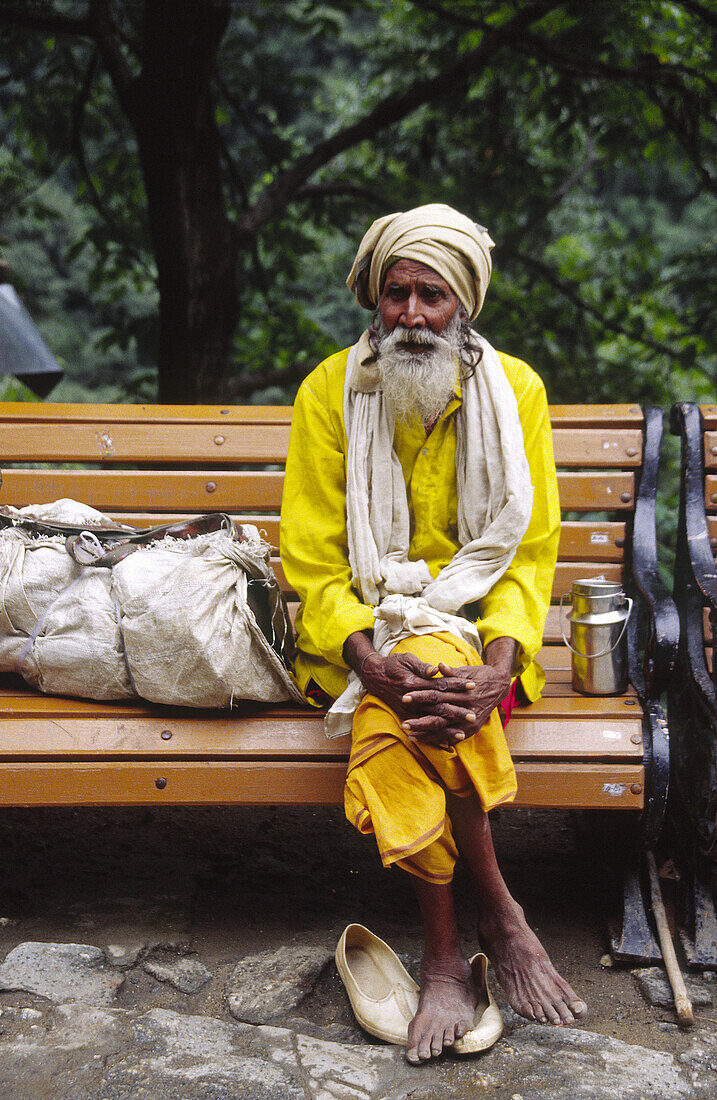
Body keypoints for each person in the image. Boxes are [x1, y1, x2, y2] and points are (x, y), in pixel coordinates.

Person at [280, 203, 586, 1064]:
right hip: (359, 636)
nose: (411, 317)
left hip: (480, 635)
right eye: (396, 295)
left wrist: (496, 664)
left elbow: (526, 556)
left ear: (465, 306)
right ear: (373, 301)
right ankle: (491, 921)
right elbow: (310, 558)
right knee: (405, 694)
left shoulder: (514, 390)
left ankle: (449, 956)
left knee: (426, 698)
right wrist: (367, 655)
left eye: (432, 297)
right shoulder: (326, 391)